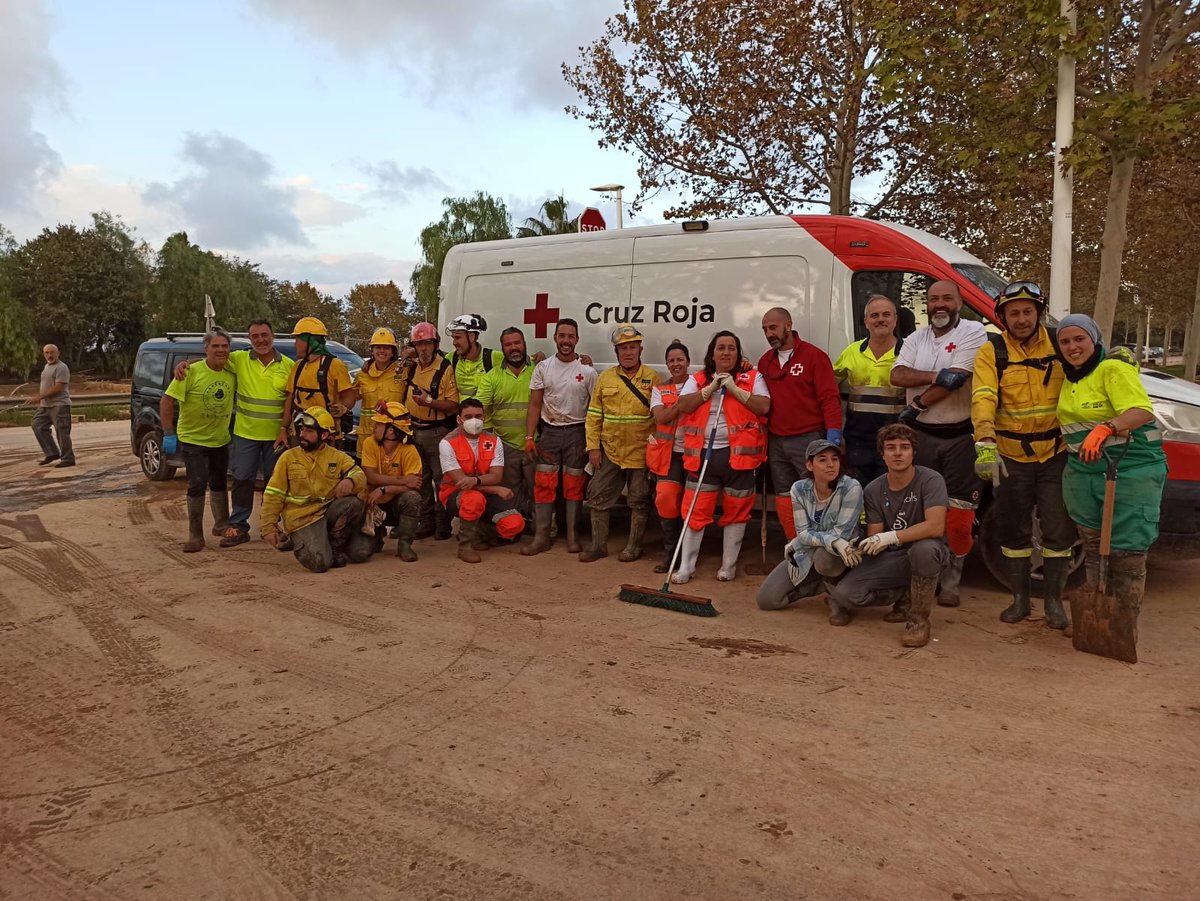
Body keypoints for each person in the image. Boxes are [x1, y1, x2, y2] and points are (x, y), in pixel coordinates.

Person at [1054, 314, 1167, 639]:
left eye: (1079, 339)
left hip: (1130, 467)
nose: (1072, 347)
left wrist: (1107, 427)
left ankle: (1122, 624)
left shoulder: (1113, 369)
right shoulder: (1071, 377)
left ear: (1094, 340)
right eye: (1065, 342)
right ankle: (1096, 614)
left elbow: (1141, 410)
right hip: (1084, 470)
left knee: (1127, 548)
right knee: (1093, 544)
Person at [971, 281, 1074, 629]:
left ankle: (1055, 604)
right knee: (1013, 530)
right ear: (1002, 317)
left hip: (1055, 454)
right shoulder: (992, 351)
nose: (1021, 318)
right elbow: (983, 395)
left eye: (1028, 311)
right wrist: (984, 441)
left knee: (1058, 530)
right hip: (1011, 455)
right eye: (1013, 313)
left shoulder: (1060, 342)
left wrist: (1116, 362)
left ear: (1039, 313)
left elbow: (1089, 364)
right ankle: (1020, 601)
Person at [890, 280, 987, 607]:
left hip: (961, 435)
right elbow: (897, 376)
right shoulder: (916, 337)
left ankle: (951, 581)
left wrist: (916, 405)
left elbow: (957, 378)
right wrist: (935, 376)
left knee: (959, 514)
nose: (940, 304)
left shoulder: (973, 332)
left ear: (960, 302)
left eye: (947, 298)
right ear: (926, 304)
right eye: (933, 299)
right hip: (923, 436)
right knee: (921, 508)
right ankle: (924, 577)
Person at [827, 424, 951, 647]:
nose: (897, 453)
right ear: (882, 454)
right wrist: (860, 545)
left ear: (914, 452)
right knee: (845, 594)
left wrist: (892, 537)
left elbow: (935, 527)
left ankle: (918, 621)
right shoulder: (873, 489)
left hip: (931, 556)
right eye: (890, 447)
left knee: (924, 549)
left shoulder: (931, 480)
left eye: (904, 447)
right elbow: (876, 536)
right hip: (895, 558)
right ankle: (902, 596)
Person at [172, 319, 293, 548]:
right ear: (249, 339)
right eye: (255, 336)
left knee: (274, 483)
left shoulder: (288, 365)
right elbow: (213, 360)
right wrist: (185, 364)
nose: (260, 340)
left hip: (275, 436)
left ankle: (271, 526)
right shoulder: (239, 359)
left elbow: (289, 400)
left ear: (272, 335)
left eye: (264, 335)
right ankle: (238, 526)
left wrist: (284, 429)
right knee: (242, 480)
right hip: (245, 434)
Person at [671, 330, 771, 583]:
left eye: (731, 348)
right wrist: (710, 389)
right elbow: (683, 406)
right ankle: (686, 567)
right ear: (712, 353)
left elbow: (763, 406)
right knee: (695, 511)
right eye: (721, 348)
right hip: (702, 456)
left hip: (741, 459)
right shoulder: (699, 378)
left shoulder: (753, 376)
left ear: (738, 354)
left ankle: (728, 566)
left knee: (737, 512)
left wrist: (734, 388)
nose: (726, 352)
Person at [758, 307, 843, 541]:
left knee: (818, 493)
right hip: (777, 440)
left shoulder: (814, 356)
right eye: (765, 329)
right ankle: (795, 546)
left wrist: (834, 434)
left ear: (788, 325)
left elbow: (829, 398)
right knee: (785, 496)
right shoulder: (765, 361)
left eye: (773, 327)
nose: (769, 333)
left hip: (809, 439)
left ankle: (822, 545)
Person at [579, 324, 658, 563]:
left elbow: (658, 418)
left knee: (639, 500)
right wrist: (593, 447)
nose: (628, 352)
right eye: (623, 348)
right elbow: (594, 415)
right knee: (598, 497)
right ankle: (598, 546)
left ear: (640, 349)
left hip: (640, 451)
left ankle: (634, 547)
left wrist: (656, 452)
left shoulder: (653, 378)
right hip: (610, 451)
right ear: (616, 352)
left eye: (632, 347)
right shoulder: (605, 378)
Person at [259, 407, 373, 572]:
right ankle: (302, 540)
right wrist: (268, 527)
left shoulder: (337, 456)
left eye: (309, 430)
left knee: (360, 549)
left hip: (326, 513)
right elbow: (273, 494)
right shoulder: (288, 458)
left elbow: (359, 474)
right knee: (319, 563)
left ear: (324, 435)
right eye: (301, 429)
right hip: (301, 519)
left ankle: (333, 544)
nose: (302, 434)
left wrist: (350, 480)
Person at [756, 439, 865, 611]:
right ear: (809, 465)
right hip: (808, 552)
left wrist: (799, 542)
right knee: (767, 600)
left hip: (842, 555)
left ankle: (838, 599)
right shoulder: (799, 489)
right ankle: (820, 586)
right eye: (822, 460)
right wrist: (803, 542)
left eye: (834, 459)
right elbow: (803, 533)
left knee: (824, 557)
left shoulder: (851, 487)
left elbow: (841, 535)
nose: (830, 464)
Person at [522, 319, 598, 555]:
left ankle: (573, 538)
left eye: (571, 336)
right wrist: (529, 437)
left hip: (577, 432)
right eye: (562, 336)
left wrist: (594, 442)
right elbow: (535, 404)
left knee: (574, 485)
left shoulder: (587, 371)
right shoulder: (543, 368)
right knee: (544, 484)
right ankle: (541, 536)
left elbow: (595, 410)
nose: (566, 341)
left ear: (577, 339)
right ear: (555, 338)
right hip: (550, 432)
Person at [160, 328, 236, 552]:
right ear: (206, 349)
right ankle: (195, 535)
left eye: (224, 346)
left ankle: (221, 524)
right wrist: (168, 432)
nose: (220, 350)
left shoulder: (232, 371)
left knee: (220, 482)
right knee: (197, 483)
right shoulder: (190, 373)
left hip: (220, 439)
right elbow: (166, 400)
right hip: (193, 439)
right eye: (215, 346)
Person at [439, 398, 526, 563]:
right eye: (468, 416)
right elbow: (461, 483)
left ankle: (476, 531)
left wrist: (477, 481)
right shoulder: (447, 443)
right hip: (454, 494)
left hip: (483, 493)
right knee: (473, 499)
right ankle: (466, 546)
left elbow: (496, 476)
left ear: (484, 417)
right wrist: (495, 489)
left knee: (515, 524)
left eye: (478, 416)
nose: (474, 420)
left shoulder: (494, 440)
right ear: (459, 419)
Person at [832, 296, 905, 485]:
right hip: (858, 440)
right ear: (866, 322)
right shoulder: (852, 351)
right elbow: (829, 384)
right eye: (874, 315)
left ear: (895, 320)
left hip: (895, 440)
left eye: (886, 314)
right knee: (858, 492)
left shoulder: (908, 353)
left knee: (890, 492)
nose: (880, 319)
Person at [398, 322, 460, 540]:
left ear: (435, 344)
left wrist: (429, 401)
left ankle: (443, 524)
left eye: (427, 343)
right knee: (420, 480)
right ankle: (426, 522)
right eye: (419, 343)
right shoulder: (411, 368)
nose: (423, 348)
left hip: (437, 432)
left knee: (442, 479)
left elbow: (453, 405)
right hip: (413, 430)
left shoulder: (445, 368)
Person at [476, 326, 536, 523]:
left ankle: (542, 529)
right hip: (506, 446)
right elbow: (480, 411)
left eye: (517, 343)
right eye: (508, 345)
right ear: (502, 349)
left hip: (536, 443)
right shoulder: (491, 377)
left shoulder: (539, 370)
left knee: (540, 490)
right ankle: (515, 527)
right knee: (511, 492)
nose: (514, 348)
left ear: (524, 344)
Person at [648, 340, 691, 573]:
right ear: (667, 364)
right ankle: (670, 553)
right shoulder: (659, 389)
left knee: (691, 505)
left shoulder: (698, 384)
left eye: (680, 359)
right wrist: (682, 404)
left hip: (694, 454)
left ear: (688, 362)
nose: (676, 364)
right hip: (668, 455)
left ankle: (688, 555)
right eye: (671, 360)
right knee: (665, 500)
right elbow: (660, 418)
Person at [361, 401, 423, 561]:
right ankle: (376, 535)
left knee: (412, 498)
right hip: (372, 502)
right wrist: (402, 481)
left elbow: (414, 485)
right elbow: (371, 477)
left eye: (379, 424)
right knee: (363, 551)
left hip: (393, 503)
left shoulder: (409, 451)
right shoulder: (369, 443)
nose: (374, 426)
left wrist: (385, 489)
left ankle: (404, 545)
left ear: (391, 431)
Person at [281, 316, 356, 445]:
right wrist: (283, 428)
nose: (295, 344)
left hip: (326, 435)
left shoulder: (334, 365)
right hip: (299, 433)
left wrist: (343, 408)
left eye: (297, 339)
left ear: (308, 341)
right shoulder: (298, 366)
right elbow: (290, 400)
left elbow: (350, 397)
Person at [351, 327, 405, 457]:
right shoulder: (362, 375)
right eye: (378, 347)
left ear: (393, 351)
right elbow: (349, 399)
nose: (382, 351)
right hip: (367, 437)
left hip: (393, 436)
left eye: (386, 347)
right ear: (372, 350)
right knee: (367, 475)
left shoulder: (403, 373)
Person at [31, 344, 75, 468]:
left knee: (62, 432)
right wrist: (41, 399)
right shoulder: (46, 367)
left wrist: (39, 397)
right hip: (45, 405)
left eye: (52, 352)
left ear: (58, 353)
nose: (49, 355)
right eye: (47, 353)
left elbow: (59, 387)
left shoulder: (61, 367)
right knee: (37, 425)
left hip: (59, 405)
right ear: (43, 354)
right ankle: (52, 453)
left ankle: (68, 459)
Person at [446, 313, 504, 399]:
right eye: (453, 338)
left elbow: (520, 360)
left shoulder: (492, 357)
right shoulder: (452, 357)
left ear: (471, 337)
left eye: (457, 338)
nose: (454, 343)